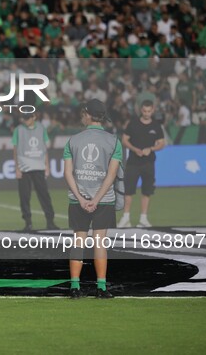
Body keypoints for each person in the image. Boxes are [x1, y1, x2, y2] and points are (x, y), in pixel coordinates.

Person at [63, 99, 122, 299]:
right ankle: (102, 288)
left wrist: (81, 198)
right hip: (103, 200)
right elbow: (111, 176)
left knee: (78, 241)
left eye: (83, 112)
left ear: (88, 114)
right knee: (100, 242)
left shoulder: (73, 140)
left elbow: (68, 173)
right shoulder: (114, 141)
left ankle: (74, 287)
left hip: (78, 200)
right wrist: (96, 199)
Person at [118, 100, 165, 228]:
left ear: (153, 110)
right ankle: (125, 218)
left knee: (147, 191)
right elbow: (124, 140)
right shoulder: (133, 124)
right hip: (133, 162)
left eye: (149, 111)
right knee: (128, 191)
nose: (146, 113)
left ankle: (143, 219)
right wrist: (134, 149)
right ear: (140, 110)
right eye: (144, 111)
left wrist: (151, 149)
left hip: (148, 163)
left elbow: (161, 143)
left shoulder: (156, 125)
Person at [13, 112, 58, 231]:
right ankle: (28, 223)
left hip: (39, 167)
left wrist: (47, 165)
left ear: (34, 117)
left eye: (28, 118)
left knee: (44, 196)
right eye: (24, 118)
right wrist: (17, 167)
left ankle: (50, 221)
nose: (26, 121)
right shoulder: (18, 129)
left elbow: (44, 148)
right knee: (24, 196)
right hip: (24, 168)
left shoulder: (41, 128)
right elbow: (15, 149)